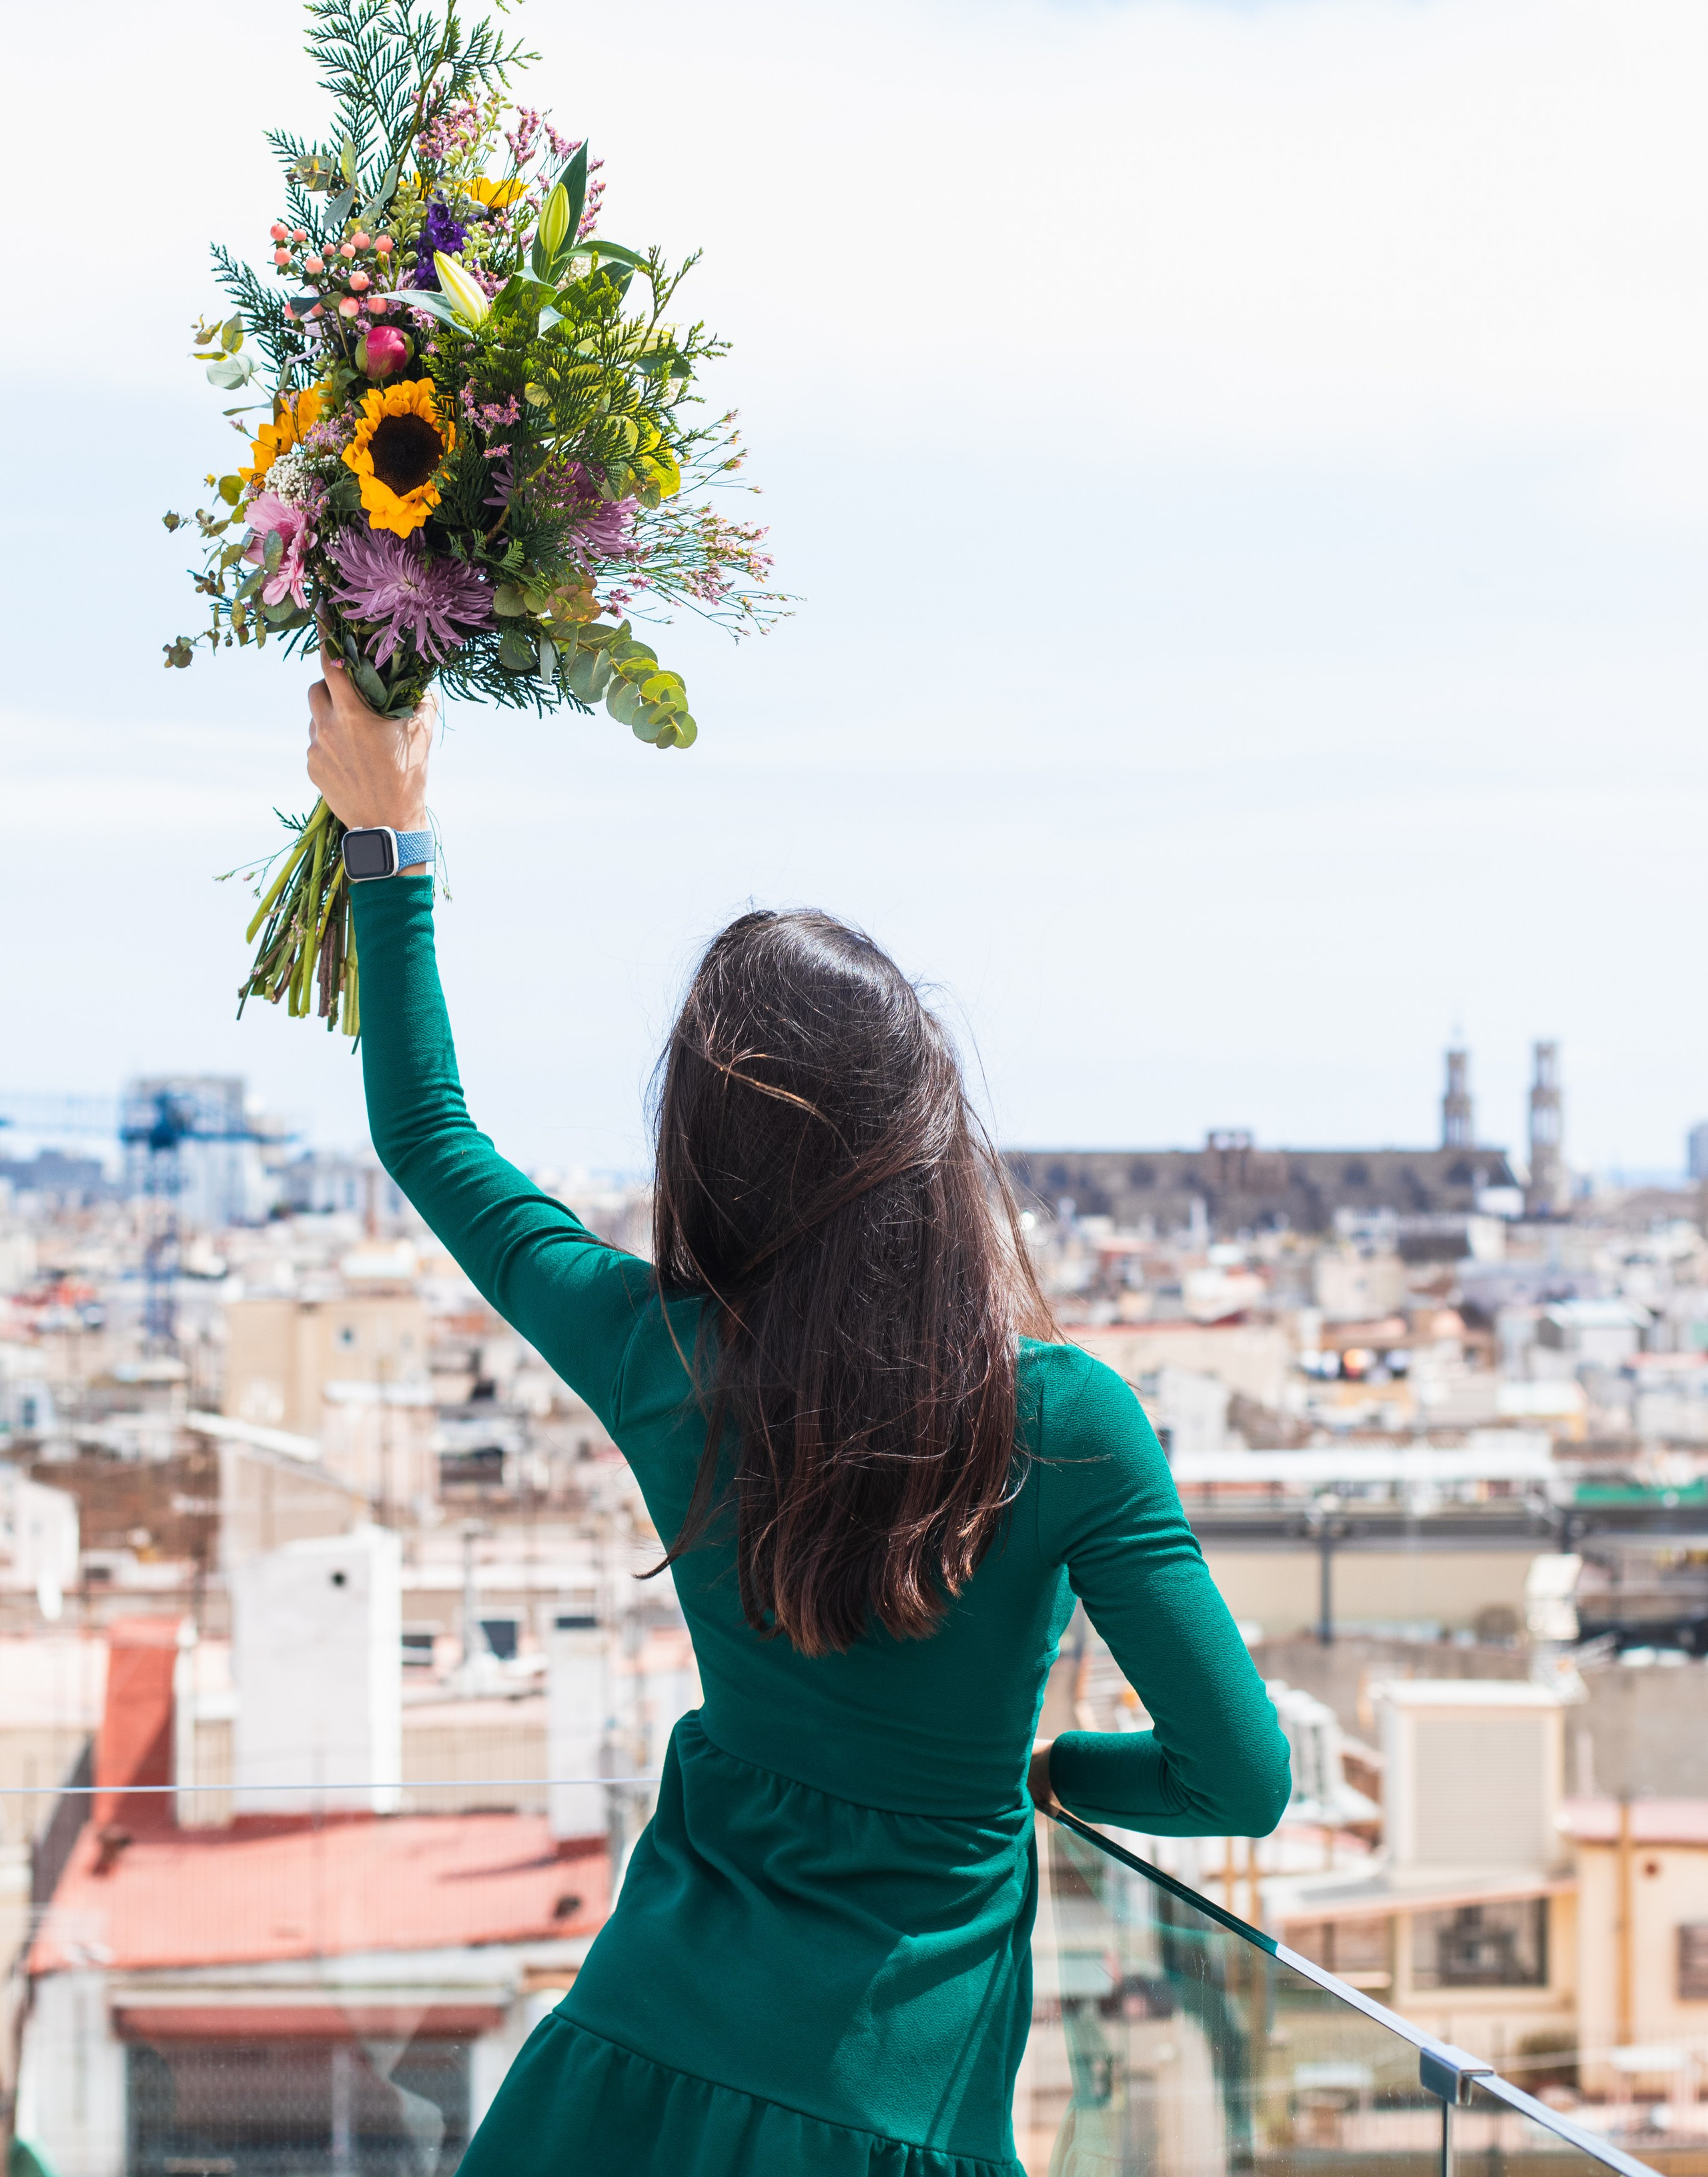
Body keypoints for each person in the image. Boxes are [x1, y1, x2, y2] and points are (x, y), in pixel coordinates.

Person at [306, 651, 1291, 2177]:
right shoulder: (1071, 1424)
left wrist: (389, 834)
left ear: (705, 1149)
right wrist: (1038, 1777)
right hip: (891, 2108)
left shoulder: (659, 1357)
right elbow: (1238, 1780)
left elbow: (426, 1133)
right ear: (927, 1136)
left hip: (636, 2053)